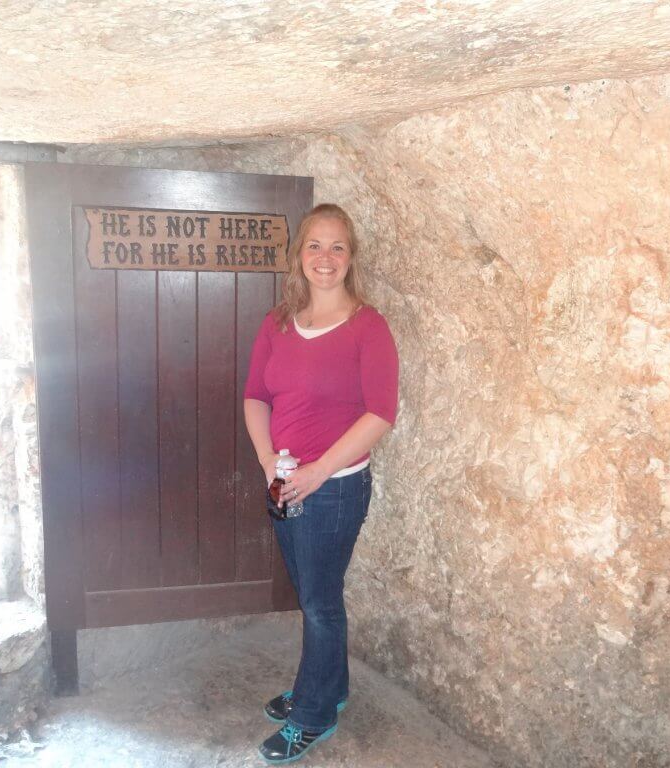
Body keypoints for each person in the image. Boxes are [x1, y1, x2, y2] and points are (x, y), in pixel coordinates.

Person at [243, 203, 399, 763]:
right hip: (284, 483)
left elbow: (380, 414)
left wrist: (317, 471)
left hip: (332, 490)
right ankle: (327, 689)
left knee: (319, 603)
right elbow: (256, 397)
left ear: (350, 257)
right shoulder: (278, 322)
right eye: (315, 245)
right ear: (299, 255)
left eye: (337, 247)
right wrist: (269, 463)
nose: (325, 258)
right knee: (314, 596)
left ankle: (312, 715)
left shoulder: (368, 326)